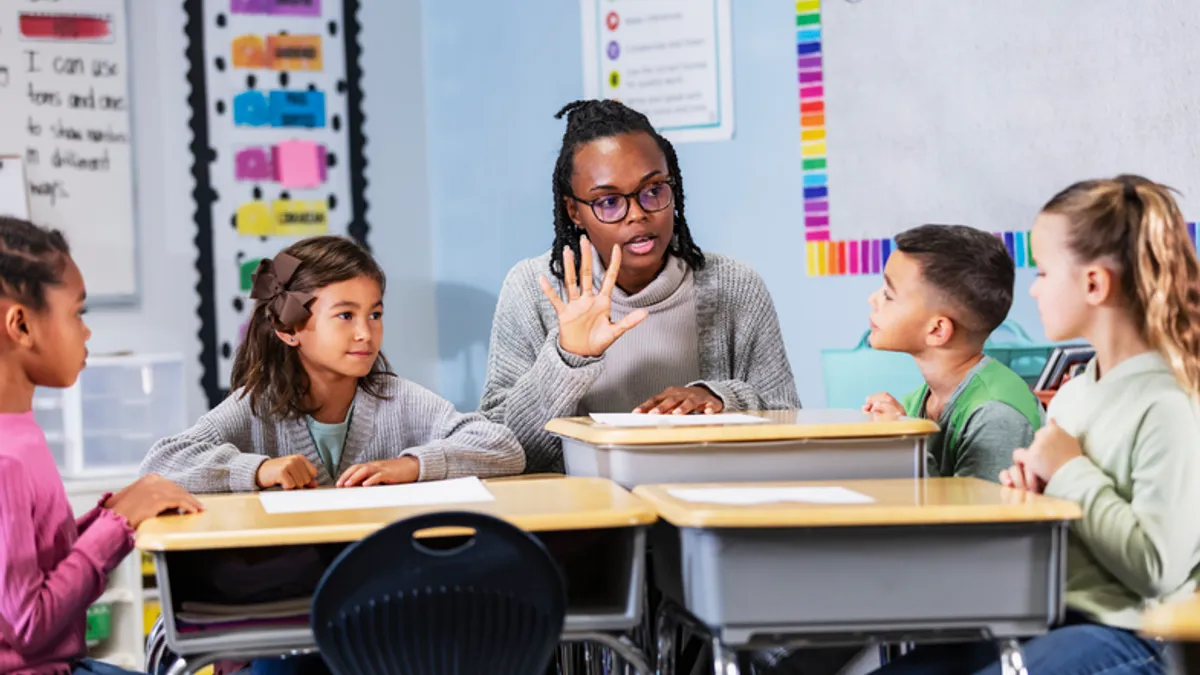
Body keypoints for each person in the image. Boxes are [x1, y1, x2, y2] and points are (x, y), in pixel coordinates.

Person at [481, 100, 799, 473]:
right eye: (609, 201)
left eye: (653, 191)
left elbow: (788, 421)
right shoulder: (533, 290)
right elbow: (501, 449)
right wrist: (567, 358)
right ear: (574, 211)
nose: (638, 214)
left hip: (703, 504)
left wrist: (717, 398)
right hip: (585, 518)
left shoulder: (735, 287)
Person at [0, 216, 201, 674]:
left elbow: (44, 561)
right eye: (77, 313)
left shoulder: (18, 430)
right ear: (22, 326)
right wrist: (119, 523)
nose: (86, 331)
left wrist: (113, 513)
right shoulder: (5, 459)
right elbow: (31, 624)